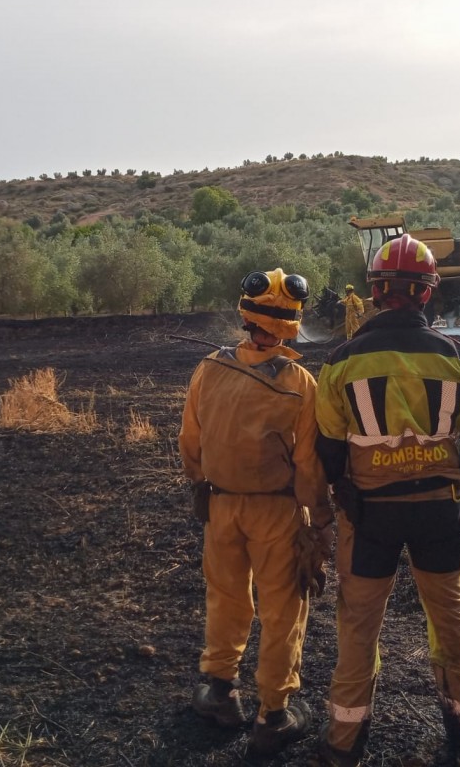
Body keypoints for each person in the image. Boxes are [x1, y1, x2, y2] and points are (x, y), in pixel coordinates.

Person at [313, 235, 460, 767]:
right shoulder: (459, 358)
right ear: (427, 294)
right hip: (441, 514)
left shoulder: (339, 362)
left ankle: (343, 744)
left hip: (369, 518)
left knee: (357, 629)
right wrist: (458, 481)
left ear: (375, 292)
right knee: (451, 624)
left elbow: (327, 452)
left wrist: (345, 491)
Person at [179, 267, 334, 756]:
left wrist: (202, 483)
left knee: (226, 597)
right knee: (283, 610)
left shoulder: (208, 368)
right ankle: (274, 713)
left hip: (220, 507)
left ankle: (221, 691)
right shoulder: (301, 384)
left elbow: (189, 442)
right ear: (293, 321)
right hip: (278, 513)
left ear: (246, 316)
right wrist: (321, 518)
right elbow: (309, 465)